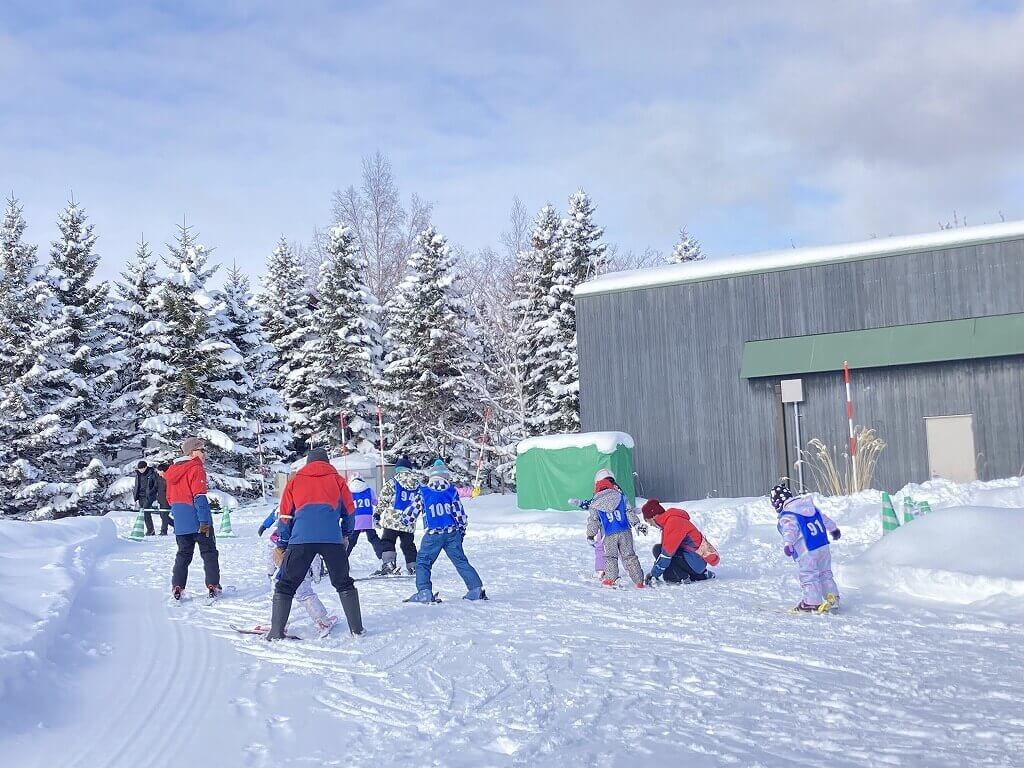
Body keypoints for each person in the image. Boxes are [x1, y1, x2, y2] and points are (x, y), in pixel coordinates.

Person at [267, 447, 364, 639]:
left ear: (308, 463)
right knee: (344, 583)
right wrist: (346, 534)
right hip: (332, 540)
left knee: (285, 584)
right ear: (327, 462)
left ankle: (276, 632)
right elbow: (350, 513)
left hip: (301, 540)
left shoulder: (294, 482)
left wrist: (282, 544)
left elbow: (285, 516)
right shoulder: (338, 481)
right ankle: (357, 629)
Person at [404, 459, 487, 602]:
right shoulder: (451, 492)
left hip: (433, 534)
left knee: (423, 562)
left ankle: (424, 592)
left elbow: (410, 513)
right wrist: (461, 531)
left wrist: (405, 521)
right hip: (452, 533)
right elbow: (459, 515)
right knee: (460, 561)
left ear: (431, 477)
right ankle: (475, 589)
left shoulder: (424, 492)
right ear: (446, 477)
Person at [258, 507, 338, 636]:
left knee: (281, 594)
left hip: (286, 573)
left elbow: (270, 555)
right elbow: (314, 556)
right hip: (299, 571)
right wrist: (317, 574)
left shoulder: (277, 537)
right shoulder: (304, 533)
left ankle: (279, 623)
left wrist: (270, 571)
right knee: (303, 595)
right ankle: (321, 621)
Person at [770, 484, 841, 613]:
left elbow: (789, 530)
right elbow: (824, 518)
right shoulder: (809, 507)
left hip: (807, 549)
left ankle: (811, 602)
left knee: (809, 575)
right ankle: (832, 596)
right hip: (823, 545)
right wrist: (833, 529)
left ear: (778, 503)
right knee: (825, 572)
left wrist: (788, 544)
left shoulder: (789, 514)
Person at [571, 469, 648, 589]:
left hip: (609, 534)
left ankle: (611, 579)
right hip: (625, 531)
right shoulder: (620, 496)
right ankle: (639, 581)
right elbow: (628, 512)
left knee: (610, 557)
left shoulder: (595, 503)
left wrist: (590, 535)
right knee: (629, 556)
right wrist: (637, 524)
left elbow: (593, 521)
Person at [165, 437, 221, 600]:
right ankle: (213, 585)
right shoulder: (196, 468)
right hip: (199, 523)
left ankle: (178, 586)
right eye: (202, 450)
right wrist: (204, 522)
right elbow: (199, 497)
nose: (204, 453)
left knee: (183, 554)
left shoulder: (172, 472)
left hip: (182, 524)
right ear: (192, 452)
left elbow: (169, 498)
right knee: (209, 553)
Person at [640, 499, 719, 584]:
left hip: (695, 562)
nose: (651, 525)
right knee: (661, 550)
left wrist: (653, 574)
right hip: (697, 561)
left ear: (653, 516)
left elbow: (666, 555)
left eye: (648, 521)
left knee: (658, 550)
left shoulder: (673, 522)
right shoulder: (670, 521)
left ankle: (681, 577)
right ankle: (700, 575)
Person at [372, 456, 420, 576]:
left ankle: (389, 565)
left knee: (388, 541)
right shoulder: (417, 484)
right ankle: (413, 566)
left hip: (392, 520)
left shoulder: (393, 482)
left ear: (398, 469)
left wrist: (377, 513)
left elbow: (384, 499)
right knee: (408, 544)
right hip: (408, 521)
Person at [347, 474, 384, 566]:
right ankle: (383, 556)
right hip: (367, 518)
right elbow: (376, 503)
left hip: (355, 519)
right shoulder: (368, 489)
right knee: (373, 538)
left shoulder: (348, 491)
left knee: (351, 541)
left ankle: (342, 560)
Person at [133, 461, 159, 536]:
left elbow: (155, 485)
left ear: (145, 467)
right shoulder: (138, 474)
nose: (140, 470)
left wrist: (151, 492)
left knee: (146, 512)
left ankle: (150, 530)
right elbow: (137, 485)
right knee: (144, 513)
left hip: (149, 496)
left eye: (141, 468)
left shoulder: (152, 474)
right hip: (140, 496)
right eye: (139, 469)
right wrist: (136, 495)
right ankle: (150, 529)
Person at [151, 463, 172, 535]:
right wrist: (150, 492)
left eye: (159, 471)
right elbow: (156, 487)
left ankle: (164, 531)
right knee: (162, 515)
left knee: (164, 515)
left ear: (162, 471)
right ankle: (175, 525)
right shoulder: (159, 478)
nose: (157, 472)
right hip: (161, 499)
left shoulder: (169, 478)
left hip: (168, 499)